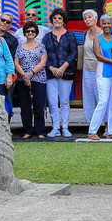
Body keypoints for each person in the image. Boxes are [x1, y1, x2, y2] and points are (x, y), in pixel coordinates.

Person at [87, 14, 112, 139]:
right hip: (103, 73)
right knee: (103, 101)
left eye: (109, 23)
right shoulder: (97, 39)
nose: (106, 26)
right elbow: (98, 56)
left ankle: (111, 132)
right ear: (101, 24)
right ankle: (92, 131)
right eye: (104, 23)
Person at [43, 8, 77, 138]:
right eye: (55, 18)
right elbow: (43, 54)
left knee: (64, 102)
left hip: (66, 72)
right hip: (51, 73)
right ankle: (55, 128)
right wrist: (51, 68)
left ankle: (65, 127)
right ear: (51, 20)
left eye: (59, 18)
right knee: (52, 102)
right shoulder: (47, 37)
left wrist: (62, 68)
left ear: (63, 21)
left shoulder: (70, 35)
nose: (57, 20)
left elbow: (73, 53)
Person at [13, 21, 47, 138]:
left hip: (39, 79)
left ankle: (40, 131)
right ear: (24, 33)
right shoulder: (19, 47)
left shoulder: (41, 46)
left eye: (33, 31)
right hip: (22, 80)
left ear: (36, 33)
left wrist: (31, 74)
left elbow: (43, 62)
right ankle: (27, 130)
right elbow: (16, 62)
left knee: (39, 106)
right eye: (28, 31)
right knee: (25, 106)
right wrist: (24, 75)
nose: (30, 33)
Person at [79, 9, 101, 128]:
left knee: (101, 98)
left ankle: (107, 125)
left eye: (89, 17)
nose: (87, 20)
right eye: (85, 18)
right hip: (87, 70)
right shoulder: (85, 33)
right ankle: (92, 125)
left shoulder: (103, 33)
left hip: (100, 70)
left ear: (96, 19)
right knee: (88, 98)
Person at [0, 13, 20, 117]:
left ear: (10, 25)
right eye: (3, 20)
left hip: (6, 75)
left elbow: (13, 59)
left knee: (7, 101)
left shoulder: (13, 40)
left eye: (8, 22)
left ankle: (6, 128)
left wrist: (10, 76)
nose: (4, 23)